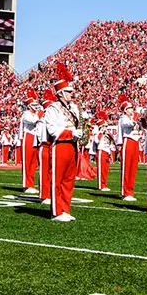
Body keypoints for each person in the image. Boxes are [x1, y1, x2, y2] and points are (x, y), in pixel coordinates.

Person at [40, 64, 82, 222]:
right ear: (61, 93)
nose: (72, 94)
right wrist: (71, 133)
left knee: (69, 179)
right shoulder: (53, 108)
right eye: (69, 92)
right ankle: (56, 211)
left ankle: (65, 209)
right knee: (58, 179)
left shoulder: (74, 108)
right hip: (61, 145)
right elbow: (53, 130)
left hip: (72, 145)